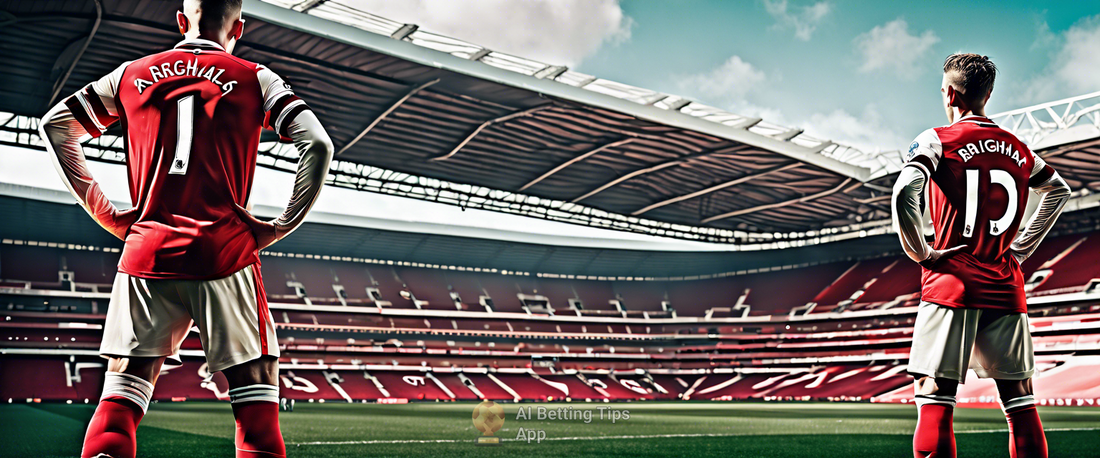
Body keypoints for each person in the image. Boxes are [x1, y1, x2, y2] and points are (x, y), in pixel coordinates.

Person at [37, 0, 334, 456]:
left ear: (181, 21)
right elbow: (317, 143)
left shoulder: (131, 74)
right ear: (239, 27)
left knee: (120, 399)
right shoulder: (256, 77)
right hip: (226, 255)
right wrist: (278, 226)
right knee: (255, 413)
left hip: (146, 254)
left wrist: (106, 213)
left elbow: (57, 126)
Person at [892, 53, 1071, 458]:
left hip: (951, 282)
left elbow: (905, 191)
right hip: (1006, 285)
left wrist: (922, 251)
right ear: (988, 93)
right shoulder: (1019, 147)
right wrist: (1021, 248)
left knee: (935, 391)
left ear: (950, 93)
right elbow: (1058, 190)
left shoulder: (938, 138)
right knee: (1020, 397)